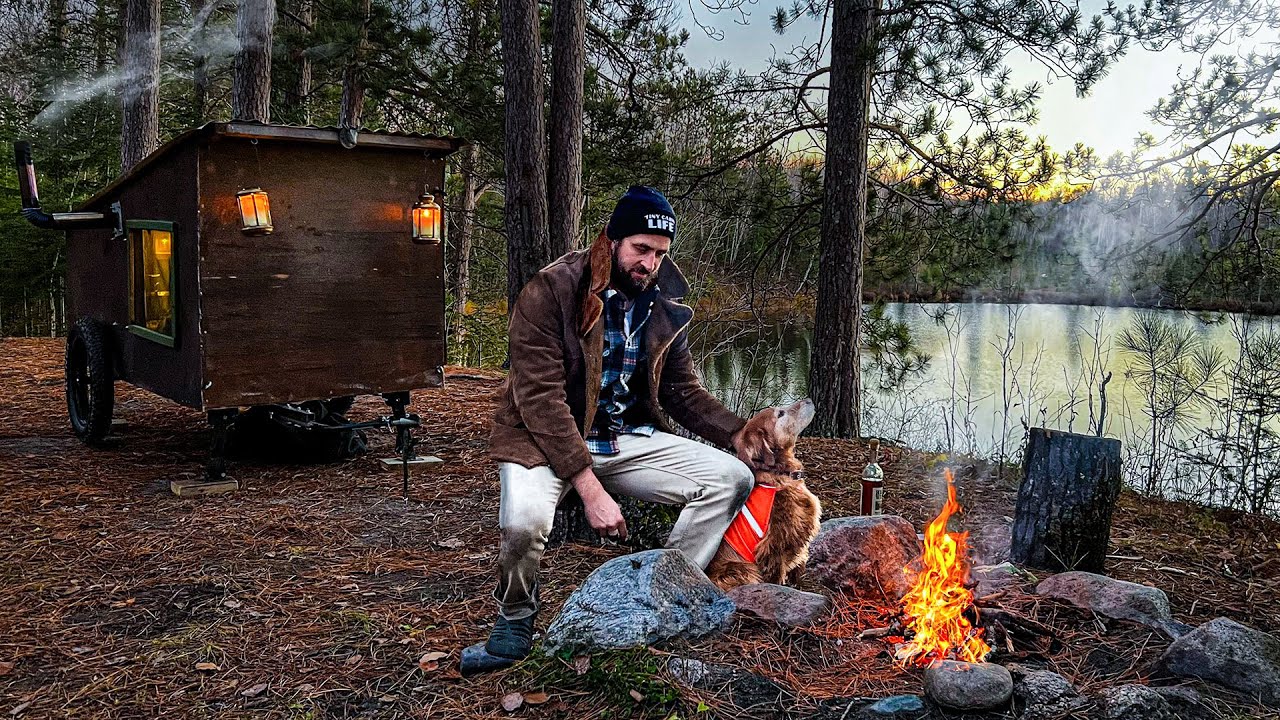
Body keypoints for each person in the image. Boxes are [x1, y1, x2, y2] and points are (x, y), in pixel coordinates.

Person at [485, 185, 753, 659]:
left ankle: (661, 593)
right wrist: (590, 490)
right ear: (612, 239)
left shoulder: (663, 303)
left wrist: (739, 433)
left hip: (623, 439)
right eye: (641, 249)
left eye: (660, 253)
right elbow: (539, 398)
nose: (650, 263)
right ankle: (515, 617)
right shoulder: (551, 289)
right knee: (523, 524)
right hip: (543, 441)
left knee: (731, 478)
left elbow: (681, 392)